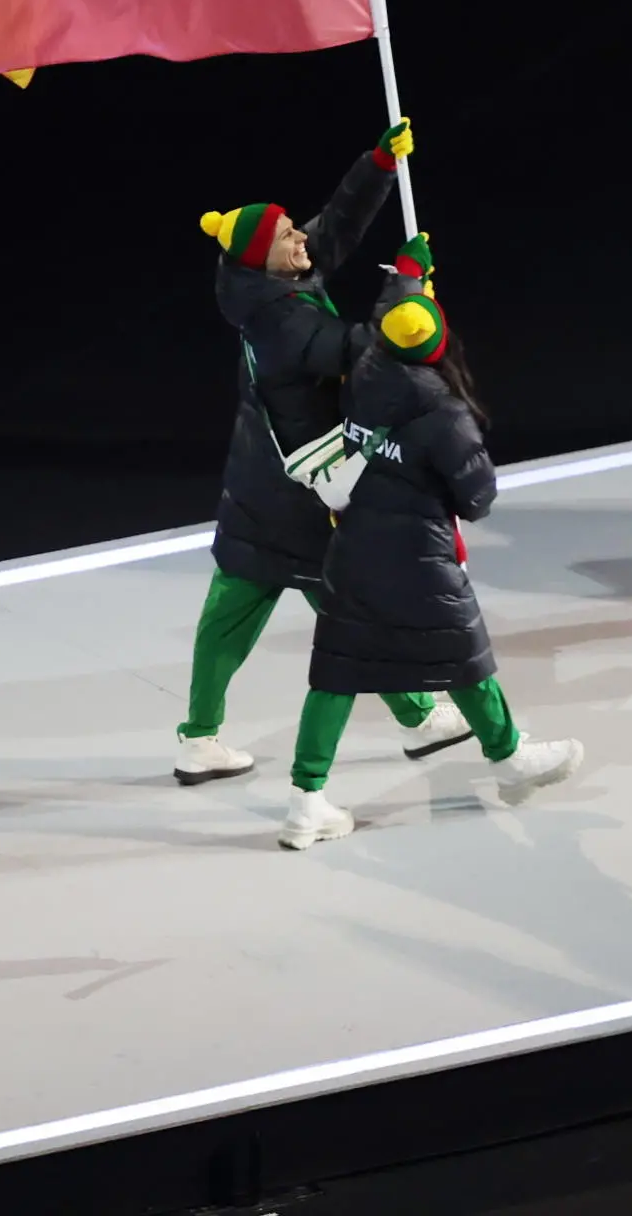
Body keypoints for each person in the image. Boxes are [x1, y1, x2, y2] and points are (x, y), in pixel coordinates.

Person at [178, 119, 471, 786]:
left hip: (262, 489)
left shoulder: (268, 281)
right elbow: (357, 351)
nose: (300, 238)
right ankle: (420, 719)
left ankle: (197, 737)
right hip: (302, 496)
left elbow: (332, 229)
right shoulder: (280, 320)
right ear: (264, 257)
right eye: (286, 236)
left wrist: (376, 166)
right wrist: (407, 292)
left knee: (232, 611)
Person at [282, 254, 583, 849]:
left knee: (336, 675)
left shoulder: (369, 369)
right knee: (465, 654)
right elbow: (477, 499)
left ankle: (304, 802)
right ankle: (509, 758)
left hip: (355, 548)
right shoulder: (443, 413)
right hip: (419, 558)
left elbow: (391, 318)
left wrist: (406, 276)